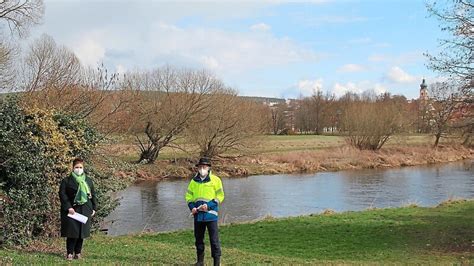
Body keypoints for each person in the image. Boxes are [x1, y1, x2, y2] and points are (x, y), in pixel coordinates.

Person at [185, 157, 225, 266]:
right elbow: (189, 196)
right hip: (198, 216)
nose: (202, 169)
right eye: (200, 167)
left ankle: (216, 263)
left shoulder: (216, 180)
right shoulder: (193, 181)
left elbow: (220, 196)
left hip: (211, 215)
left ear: (208, 168)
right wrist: (192, 207)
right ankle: (200, 262)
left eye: (204, 167)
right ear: (198, 168)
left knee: (214, 241)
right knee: (198, 239)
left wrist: (208, 206)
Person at [59, 158, 97, 260]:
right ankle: (70, 253)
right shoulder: (66, 181)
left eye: (80, 167)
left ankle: (78, 252)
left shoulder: (88, 180)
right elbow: (63, 195)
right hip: (72, 210)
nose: (79, 169)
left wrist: (94, 207)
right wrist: (68, 207)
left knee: (81, 233)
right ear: (73, 168)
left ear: (83, 168)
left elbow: (93, 194)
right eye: (77, 167)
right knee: (72, 232)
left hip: (85, 209)